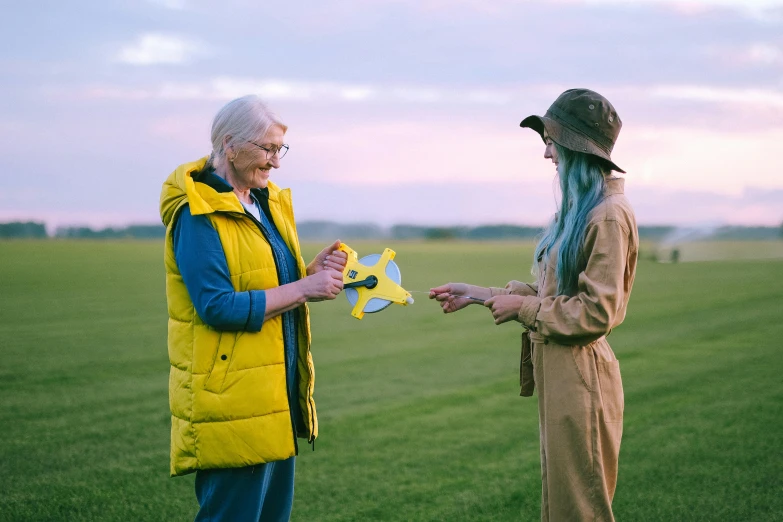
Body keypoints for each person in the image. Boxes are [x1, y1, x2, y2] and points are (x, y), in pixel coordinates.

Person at [430, 89, 638, 522]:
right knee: (560, 505)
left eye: (553, 141)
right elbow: (552, 297)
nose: (547, 153)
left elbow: (596, 313)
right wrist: (479, 294)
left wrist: (523, 311)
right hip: (560, 373)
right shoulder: (580, 211)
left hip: (583, 378)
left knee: (581, 509)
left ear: (578, 147)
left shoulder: (608, 215)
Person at [159, 95, 348, 521]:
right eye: (267, 149)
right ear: (229, 144)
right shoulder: (198, 214)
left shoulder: (262, 203)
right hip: (231, 399)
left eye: (280, 149)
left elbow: (265, 280)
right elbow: (218, 307)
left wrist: (309, 271)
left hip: (273, 394)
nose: (276, 162)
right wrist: (304, 287)